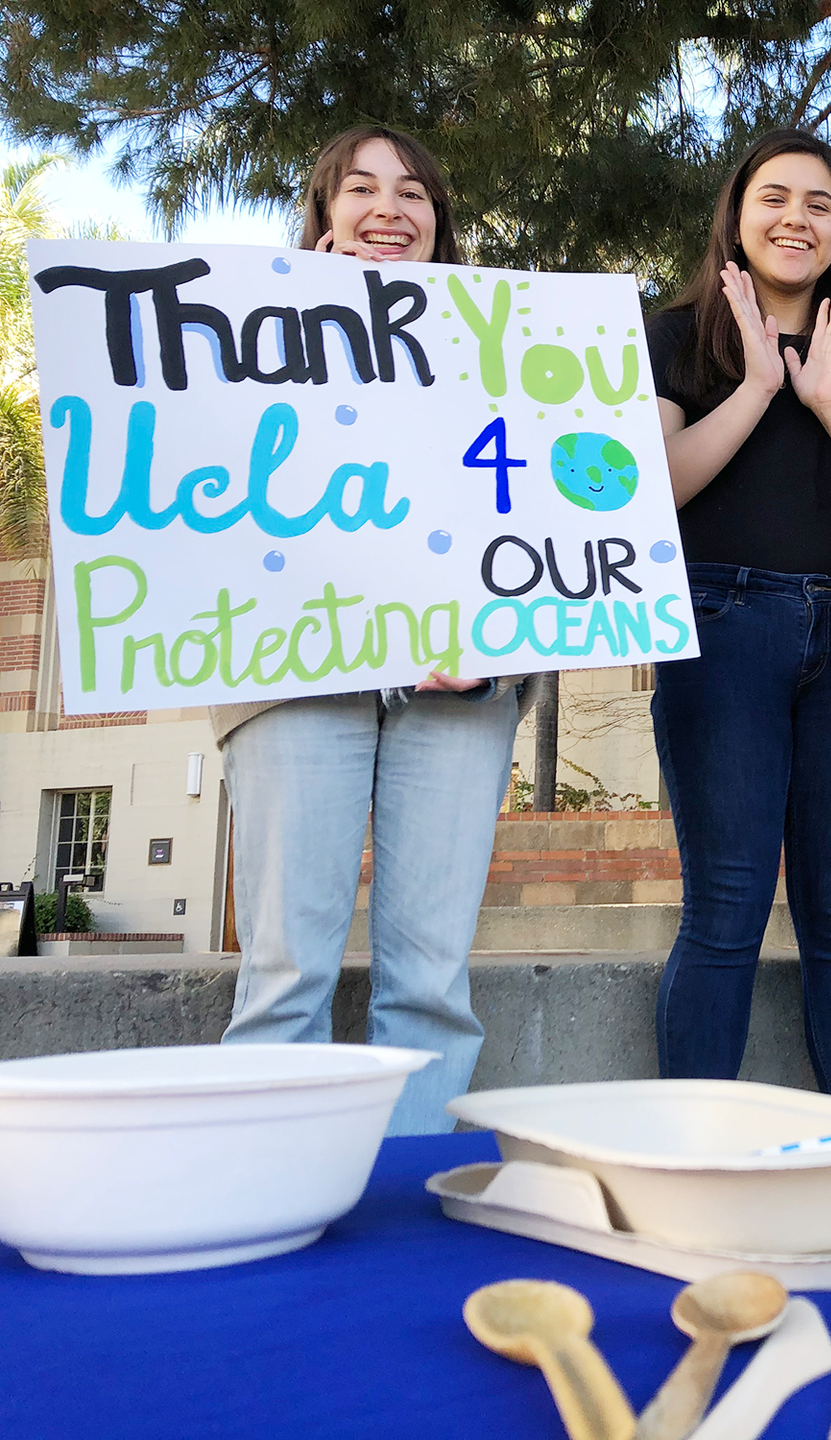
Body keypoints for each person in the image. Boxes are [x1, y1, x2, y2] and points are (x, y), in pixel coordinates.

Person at [216, 125, 527, 1134]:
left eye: (414, 194)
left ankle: (405, 1205)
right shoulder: (236, 340)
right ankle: (266, 1193)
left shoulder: (510, 347)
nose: (389, 208)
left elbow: (544, 510)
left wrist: (492, 649)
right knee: (283, 977)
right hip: (292, 679)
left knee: (432, 983)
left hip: (463, 692)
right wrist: (285, 336)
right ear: (323, 214)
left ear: (440, 226)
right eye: (361, 188)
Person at [646, 130, 831, 1102]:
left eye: (820, 204)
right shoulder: (671, 333)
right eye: (776, 198)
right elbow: (653, 486)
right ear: (738, 216)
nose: (797, 217)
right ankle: (691, 1157)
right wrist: (757, 385)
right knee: (726, 909)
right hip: (721, 625)